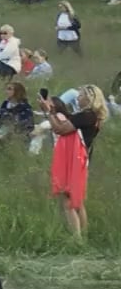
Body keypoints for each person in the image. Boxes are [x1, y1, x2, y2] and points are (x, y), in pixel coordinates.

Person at [41, 85, 106, 240]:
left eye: (81, 95)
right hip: (82, 158)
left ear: (89, 98)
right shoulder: (92, 117)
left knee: (68, 200)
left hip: (75, 159)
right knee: (77, 200)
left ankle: (76, 239)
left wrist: (49, 112)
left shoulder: (86, 116)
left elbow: (60, 129)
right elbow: (69, 122)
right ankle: (83, 236)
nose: (77, 98)